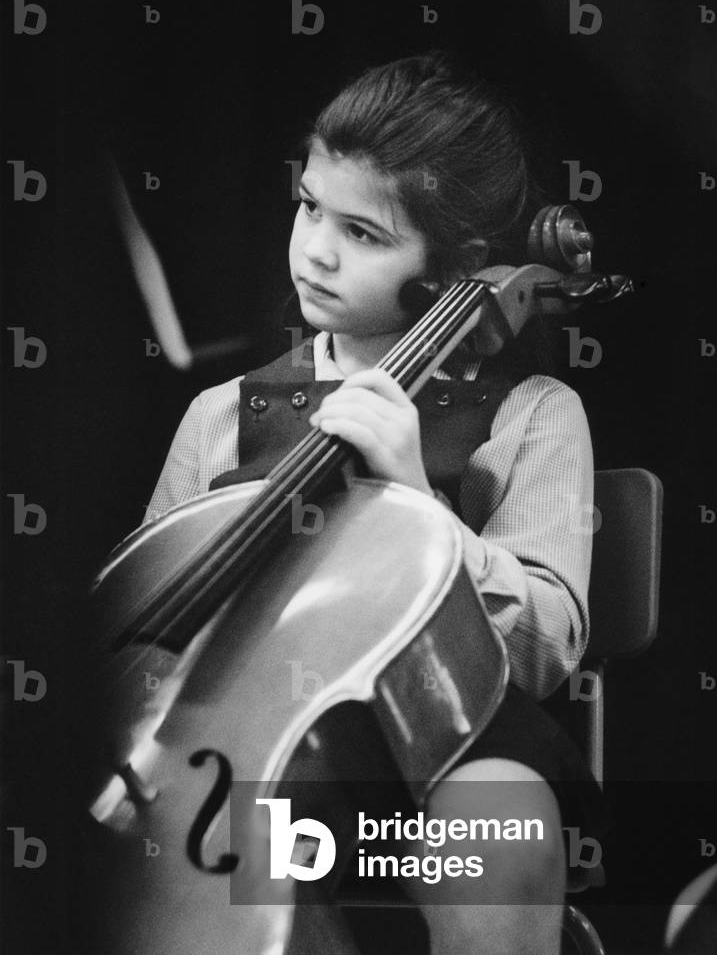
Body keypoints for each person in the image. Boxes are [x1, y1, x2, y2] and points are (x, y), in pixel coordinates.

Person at [142, 51, 602, 955]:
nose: (316, 248)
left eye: (364, 233)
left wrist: (414, 498)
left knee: (491, 841)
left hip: (449, 751)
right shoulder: (222, 417)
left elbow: (547, 648)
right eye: (311, 206)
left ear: (456, 263)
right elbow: (146, 624)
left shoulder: (533, 415)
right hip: (253, 756)